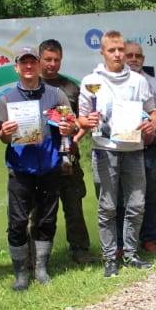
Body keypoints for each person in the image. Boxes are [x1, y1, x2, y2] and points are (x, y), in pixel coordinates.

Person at [78, 30, 156, 278]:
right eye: (112, 50)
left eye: (120, 49)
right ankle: (110, 258)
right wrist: (87, 120)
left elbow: (153, 111)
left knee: (136, 204)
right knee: (108, 207)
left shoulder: (139, 81)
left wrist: (152, 124)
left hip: (134, 150)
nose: (117, 54)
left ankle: (132, 254)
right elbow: (81, 118)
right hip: (105, 151)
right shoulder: (90, 81)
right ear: (102, 52)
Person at [0, 47, 76, 290]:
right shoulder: (6, 99)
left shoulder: (56, 94)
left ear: (39, 65)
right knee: (17, 222)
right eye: (24, 63)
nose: (29, 67)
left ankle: (41, 269)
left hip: (50, 168)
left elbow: (70, 126)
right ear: (16, 68)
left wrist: (67, 129)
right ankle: (21, 273)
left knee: (46, 220)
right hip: (20, 169)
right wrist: (5, 134)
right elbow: (2, 138)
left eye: (33, 62)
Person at [39, 39, 93, 264]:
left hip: (69, 156)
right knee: (41, 209)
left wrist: (76, 139)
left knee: (73, 205)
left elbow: (82, 121)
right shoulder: (32, 87)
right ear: (39, 59)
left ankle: (80, 250)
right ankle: (40, 255)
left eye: (56, 60)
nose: (52, 64)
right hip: (41, 158)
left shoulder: (71, 87)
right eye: (48, 59)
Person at [123, 41, 156, 252]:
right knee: (125, 196)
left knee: (152, 194)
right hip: (125, 148)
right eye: (129, 55)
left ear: (143, 59)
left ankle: (149, 238)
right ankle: (125, 241)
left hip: (152, 149)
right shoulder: (116, 84)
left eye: (137, 56)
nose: (133, 59)